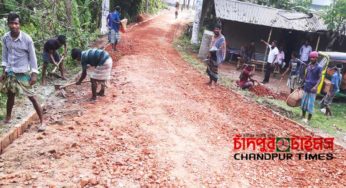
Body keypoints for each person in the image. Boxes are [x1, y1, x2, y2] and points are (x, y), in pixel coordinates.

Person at [0, 13, 44, 130]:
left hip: (23, 73)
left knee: (32, 97)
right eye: (11, 23)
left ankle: (42, 121)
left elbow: (33, 57)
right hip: (10, 72)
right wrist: (3, 71)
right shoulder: (5, 38)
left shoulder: (27, 39)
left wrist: (34, 74)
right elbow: (4, 56)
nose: (14, 26)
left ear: (19, 24)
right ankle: (8, 117)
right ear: (8, 24)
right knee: (10, 95)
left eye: (16, 23)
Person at [300, 51, 322, 123]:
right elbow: (306, 76)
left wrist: (316, 86)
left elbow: (320, 78)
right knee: (304, 103)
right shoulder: (309, 65)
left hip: (313, 89)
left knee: (310, 105)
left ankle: (308, 120)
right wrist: (302, 84)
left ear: (316, 58)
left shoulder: (319, 67)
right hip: (306, 87)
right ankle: (303, 116)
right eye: (311, 57)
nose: (311, 59)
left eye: (313, 57)